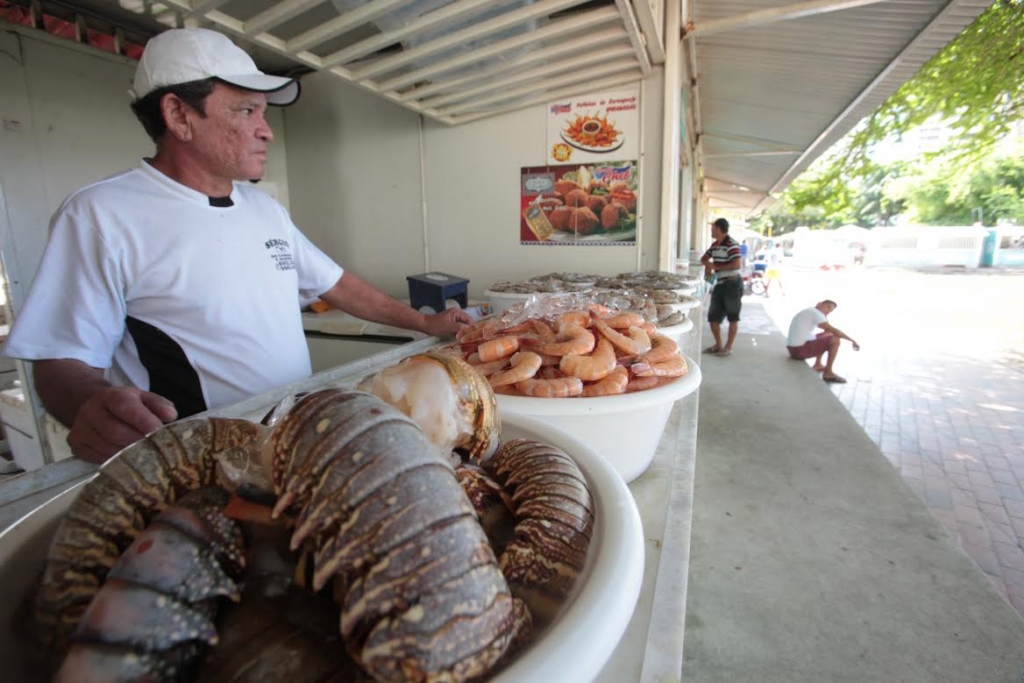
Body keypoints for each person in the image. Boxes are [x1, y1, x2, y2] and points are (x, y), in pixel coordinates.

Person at [2, 28, 471, 463]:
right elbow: (61, 359)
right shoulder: (101, 214)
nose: (265, 129)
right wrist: (90, 404)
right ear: (179, 115)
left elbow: (338, 285)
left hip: (296, 439)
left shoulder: (263, 209)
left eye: (263, 113)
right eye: (246, 110)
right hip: (203, 462)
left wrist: (423, 322)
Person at [786, 300, 860, 383]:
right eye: (827, 307)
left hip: (793, 349)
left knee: (827, 334)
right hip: (799, 351)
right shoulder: (815, 313)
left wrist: (825, 316)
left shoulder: (811, 311)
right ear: (819, 304)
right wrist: (852, 340)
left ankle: (818, 364)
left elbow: (828, 330)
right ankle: (828, 373)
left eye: (830, 311)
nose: (828, 311)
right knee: (835, 339)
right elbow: (836, 332)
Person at [700, 217, 743, 357]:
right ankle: (718, 345)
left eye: (713, 229)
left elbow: (737, 265)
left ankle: (728, 347)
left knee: (733, 317)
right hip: (720, 283)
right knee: (713, 317)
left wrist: (715, 266)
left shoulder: (732, 245)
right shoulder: (715, 245)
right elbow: (703, 258)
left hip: (733, 284)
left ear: (719, 229)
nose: (711, 231)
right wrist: (708, 265)